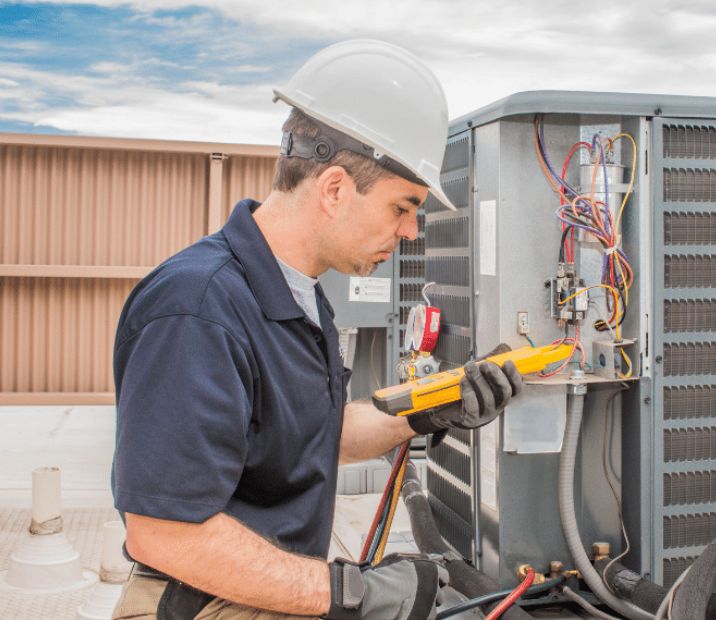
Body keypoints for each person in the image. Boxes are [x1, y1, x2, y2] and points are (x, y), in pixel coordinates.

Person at [110, 40, 522, 620]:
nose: (410, 232)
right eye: (402, 208)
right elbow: (165, 532)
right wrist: (353, 593)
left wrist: (435, 406)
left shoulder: (299, 295)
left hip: (260, 589)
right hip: (201, 602)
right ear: (334, 189)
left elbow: (313, 436)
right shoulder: (197, 310)